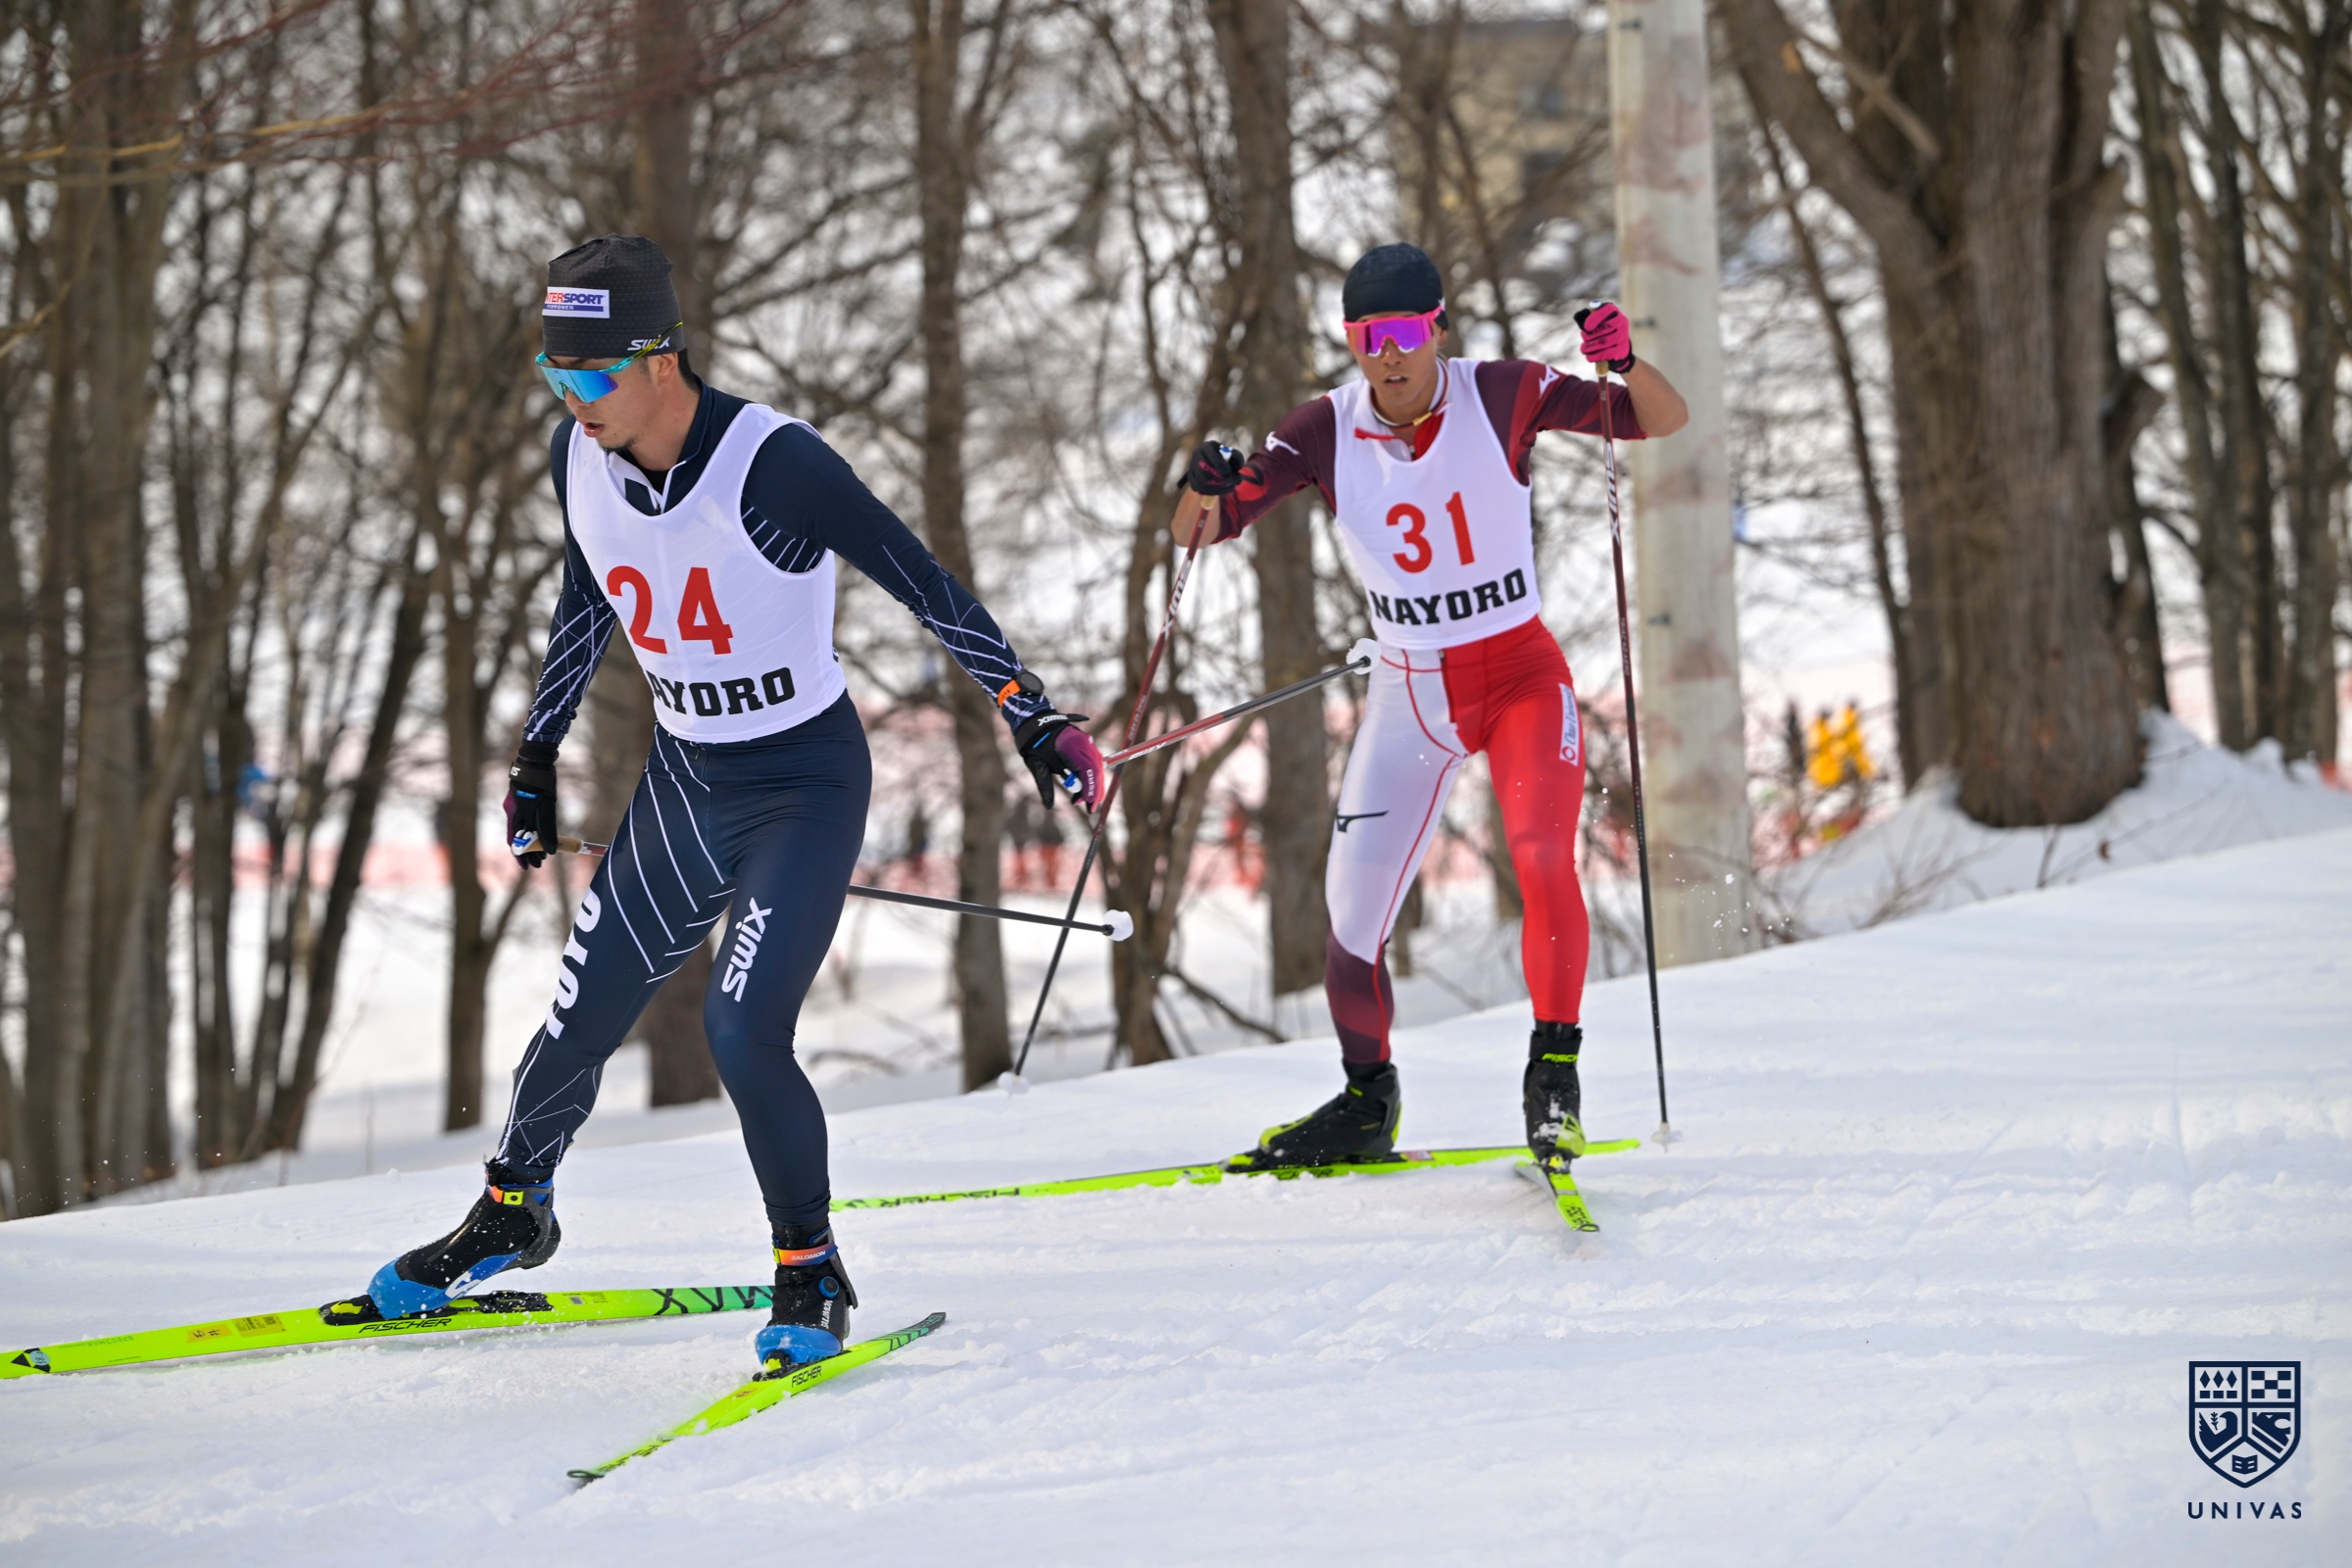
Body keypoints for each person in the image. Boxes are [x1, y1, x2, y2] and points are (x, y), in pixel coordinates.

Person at [364, 236, 1105, 1372]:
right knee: (578, 1017)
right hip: (688, 778)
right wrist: (535, 755)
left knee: (741, 1028)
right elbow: (587, 600)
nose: (572, 401)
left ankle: (811, 1266)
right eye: (555, 376)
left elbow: (923, 582)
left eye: (591, 375)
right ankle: (514, 1210)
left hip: (803, 785)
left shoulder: (774, 464)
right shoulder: (580, 459)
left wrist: (1031, 713)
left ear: (662, 360)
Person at [1180, 243, 1689, 1174]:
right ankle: (1366, 1101)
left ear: (1439, 329)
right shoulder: (1321, 430)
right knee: (1351, 915)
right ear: (1351, 341)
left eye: (1407, 332)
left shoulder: (1504, 392)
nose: (1390, 356)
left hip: (1521, 678)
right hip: (1412, 693)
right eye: (1369, 337)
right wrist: (1199, 486)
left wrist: (1623, 362)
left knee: (1541, 858)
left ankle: (1553, 1081)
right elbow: (1204, 528)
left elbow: (1660, 418)